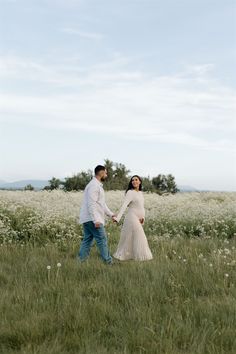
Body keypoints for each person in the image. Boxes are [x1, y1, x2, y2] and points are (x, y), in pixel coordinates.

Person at [78, 165, 116, 264]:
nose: (106, 175)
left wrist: (111, 214)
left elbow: (101, 204)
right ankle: (109, 263)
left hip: (88, 218)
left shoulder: (95, 185)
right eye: (106, 173)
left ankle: (80, 262)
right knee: (102, 240)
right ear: (101, 173)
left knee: (87, 240)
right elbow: (91, 204)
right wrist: (96, 220)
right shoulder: (94, 186)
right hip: (93, 219)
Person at [113, 175, 153, 261]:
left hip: (139, 218)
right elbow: (124, 206)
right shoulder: (130, 192)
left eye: (136, 180)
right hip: (132, 216)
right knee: (140, 235)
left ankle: (131, 255)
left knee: (131, 237)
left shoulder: (140, 193)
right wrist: (118, 218)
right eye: (132, 180)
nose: (134, 181)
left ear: (140, 182)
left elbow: (141, 207)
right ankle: (141, 257)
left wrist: (143, 218)